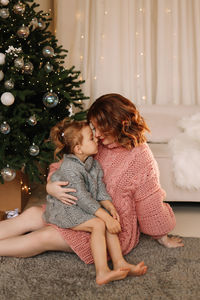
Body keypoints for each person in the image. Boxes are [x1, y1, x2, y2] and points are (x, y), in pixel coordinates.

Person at [0, 93, 183, 276]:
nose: (97, 134)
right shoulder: (96, 142)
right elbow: (63, 165)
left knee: (45, 237)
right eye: (94, 128)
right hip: (76, 209)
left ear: (120, 124)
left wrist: (162, 237)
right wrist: (51, 187)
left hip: (110, 229)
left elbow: (149, 203)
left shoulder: (141, 159)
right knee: (32, 215)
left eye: (102, 128)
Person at [43, 119, 147, 285]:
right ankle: (102, 272)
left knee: (107, 216)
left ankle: (120, 263)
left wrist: (110, 207)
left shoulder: (93, 164)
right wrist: (106, 219)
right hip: (64, 209)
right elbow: (83, 198)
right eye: (91, 138)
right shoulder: (70, 168)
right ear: (78, 149)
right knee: (99, 224)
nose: (96, 139)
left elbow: (100, 190)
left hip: (80, 205)